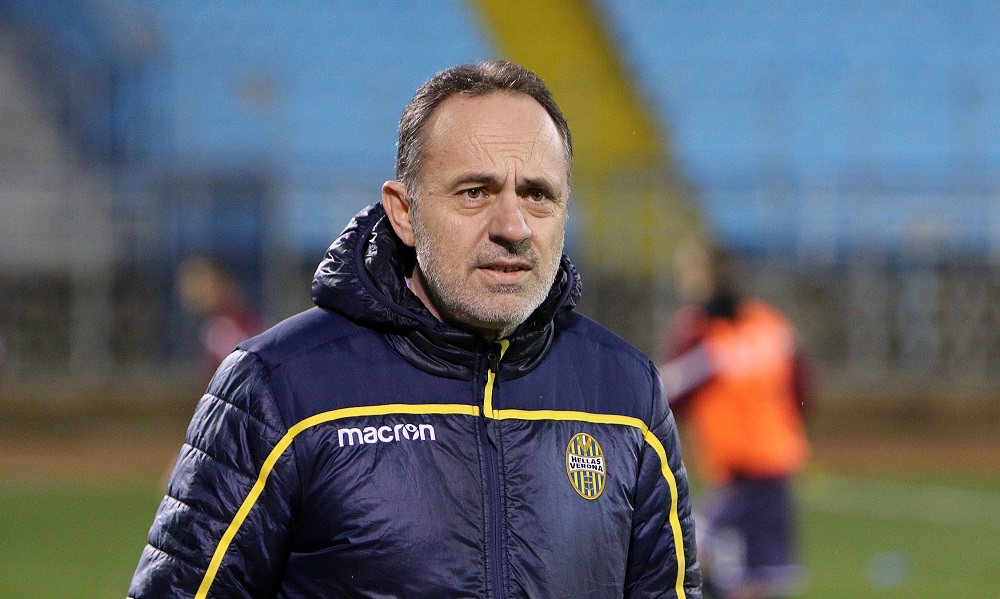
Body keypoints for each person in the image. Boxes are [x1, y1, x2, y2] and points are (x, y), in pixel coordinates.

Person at [128, 60, 701, 599]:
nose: (513, 226)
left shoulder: (627, 394)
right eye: (474, 192)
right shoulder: (280, 388)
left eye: (537, 194)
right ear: (404, 211)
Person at [659, 240, 811, 599]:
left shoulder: (701, 335)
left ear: (705, 278)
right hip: (775, 463)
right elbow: (804, 388)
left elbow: (664, 394)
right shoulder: (770, 323)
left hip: (744, 472)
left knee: (695, 557)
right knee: (756, 573)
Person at [175, 255, 263, 379]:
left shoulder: (230, 326)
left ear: (222, 283)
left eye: (200, 283)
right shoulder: (213, 324)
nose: (192, 291)